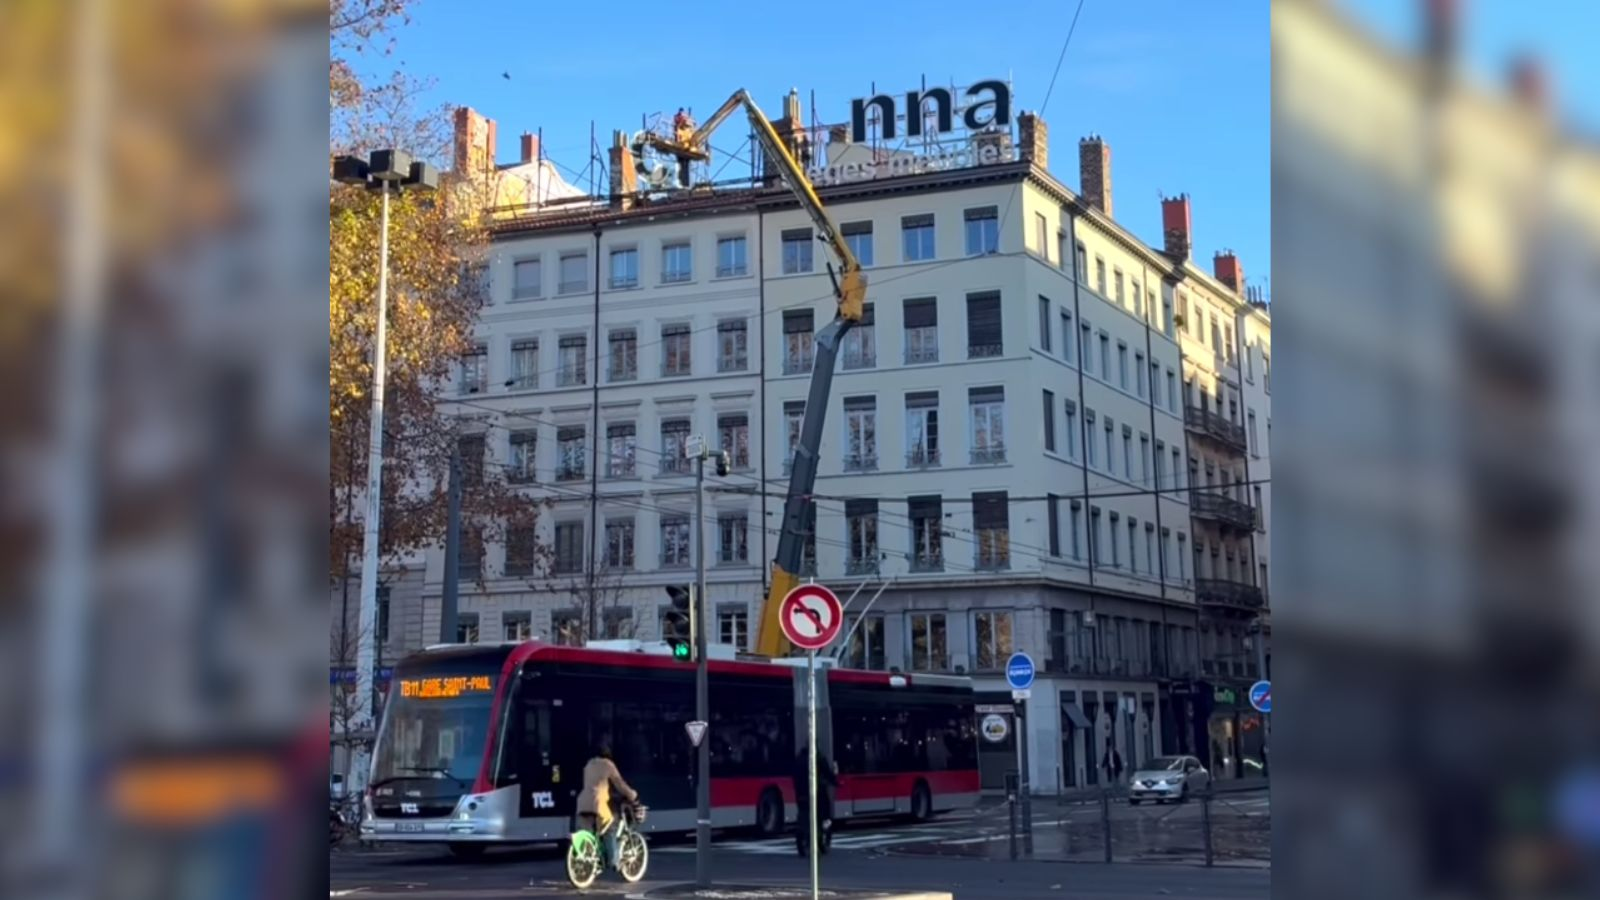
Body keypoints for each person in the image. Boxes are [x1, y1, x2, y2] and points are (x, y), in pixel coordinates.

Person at [576, 741, 638, 870]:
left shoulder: (588, 764)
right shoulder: (608, 765)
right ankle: (614, 861)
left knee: (589, 832)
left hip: (582, 803)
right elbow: (619, 784)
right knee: (611, 826)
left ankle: (591, 857)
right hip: (597, 803)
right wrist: (632, 795)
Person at [792, 744, 838, 856]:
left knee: (802, 813)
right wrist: (836, 782)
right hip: (815, 793)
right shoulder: (818, 758)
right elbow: (828, 774)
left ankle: (805, 837)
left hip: (800, 794)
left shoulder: (799, 759)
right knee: (824, 814)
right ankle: (822, 832)